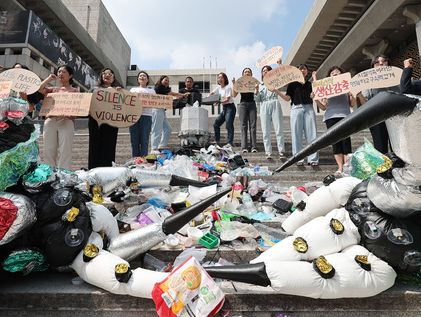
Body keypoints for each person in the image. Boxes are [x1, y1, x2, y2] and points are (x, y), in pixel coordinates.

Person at [314, 66, 354, 176]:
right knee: (336, 143)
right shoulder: (326, 88)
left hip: (345, 116)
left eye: (338, 72)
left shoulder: (347, 86)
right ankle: (340, 168)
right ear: (329, 76)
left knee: (346, 142)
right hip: (330, 117)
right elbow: (323, 107)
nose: (335, 74)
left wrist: (352, 94)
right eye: (333, 73)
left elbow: (352, 104)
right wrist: (316, 99)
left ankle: (347, 168)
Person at [38, 65, 79, 170]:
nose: (60, 73)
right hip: (51, 120)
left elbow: (79, 106)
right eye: (59, 71)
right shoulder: (52, 90)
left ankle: (63, 173)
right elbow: (39, 89)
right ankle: (49, 173)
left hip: (67, 120)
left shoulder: (75, 91)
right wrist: (48, 79)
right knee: (48, 149)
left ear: (70, 75)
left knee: (65, 149)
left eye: (64, 72)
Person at [278, 64, 319, 166]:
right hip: (296, 108)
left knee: (312, 134)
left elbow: (318, 91)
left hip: (309, 107)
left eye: (304, 68)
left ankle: (313, 159)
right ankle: (298, 158)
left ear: (307, 71)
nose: (302, 70)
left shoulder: (310, 84)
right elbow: (287, 98)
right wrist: (277, 91)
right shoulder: (292, 84)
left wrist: (315, 78)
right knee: (296, 134)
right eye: (300, 68)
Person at [360, 54, 399, 153]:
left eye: (384, 61)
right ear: (373, 66)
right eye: (377, 62)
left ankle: (399, 166)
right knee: (380, 145)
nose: (381, 64)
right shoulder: (367, 81)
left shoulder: (397, 76)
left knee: (398, 144)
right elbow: (365, 103)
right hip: (377, 117)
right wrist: (359, 95)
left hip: (395, 115)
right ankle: (384, 167)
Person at [88, 68, 119, 169]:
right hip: (95, 121)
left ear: (113, 78)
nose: (107, 75)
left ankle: (107, 169)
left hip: (112, 122)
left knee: (109, 146)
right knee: (94, 145)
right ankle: (93, 169)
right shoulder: (94, 89)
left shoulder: (118, 91)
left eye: (110, 74)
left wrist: (120, 93)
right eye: (105, 73)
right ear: (101, 76)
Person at [254, 66, 285, 159]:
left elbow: (282, 75)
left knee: (278, 129)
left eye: (267, 70)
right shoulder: (259, 85)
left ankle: (281, 151)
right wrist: (256, 91)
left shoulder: (275, 81)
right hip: (264, 105)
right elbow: (257, 100)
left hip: (275, 102)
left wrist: (280, 64)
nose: (265, 72)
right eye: (263, 71)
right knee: (265, 130)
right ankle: (268, 152)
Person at [151, 75, 188, 153]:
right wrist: (181, 95)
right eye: (165, 80)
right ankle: (154, 148)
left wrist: (178, 97)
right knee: (157, 129)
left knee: (168, 128)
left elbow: (170, 98)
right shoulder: (158, 87)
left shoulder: (165, 90)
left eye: (168, 81)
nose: (167, 81)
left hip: (162, 110)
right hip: (156, 109)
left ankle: (162, 145)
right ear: (161, 80)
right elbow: (171, 93)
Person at [129, 71, 154, 157]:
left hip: (146, 116)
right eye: (140, 76)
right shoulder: (132, 90)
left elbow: (155, 102)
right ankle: (135, 159)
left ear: (147, 80)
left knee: (144, 139)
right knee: (134, 139)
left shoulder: (152, 91)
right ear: (138, 79)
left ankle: (143, 158)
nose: (142, 77)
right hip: (133, 116)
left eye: (144, 76)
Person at [233, 68, 258, 153]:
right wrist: (234, 85)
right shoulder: (240, 83)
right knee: (243, 126)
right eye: (245, 72)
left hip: (252, 104)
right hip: (242, 104)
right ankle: (244, 147)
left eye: (249, 72)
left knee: (253, 126)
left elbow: (257, 94)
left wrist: (257, 89)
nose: (247, 73)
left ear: (251, 74)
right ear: (243, 74)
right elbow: (234, 94)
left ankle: (253, 146)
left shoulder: (254, 82)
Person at [210, 72, 236, 147]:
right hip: (224, 108)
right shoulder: (218, 88)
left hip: (230, 107)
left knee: (228, 124)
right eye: (219, 77)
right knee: (216, 124)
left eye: (221, 77)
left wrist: (218, 102)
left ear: (225, 79)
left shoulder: (228, 87)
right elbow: (211, 93)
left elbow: (227, 99)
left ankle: (230, 142)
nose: (220, 79)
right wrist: (207, 99)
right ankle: (217, 140)